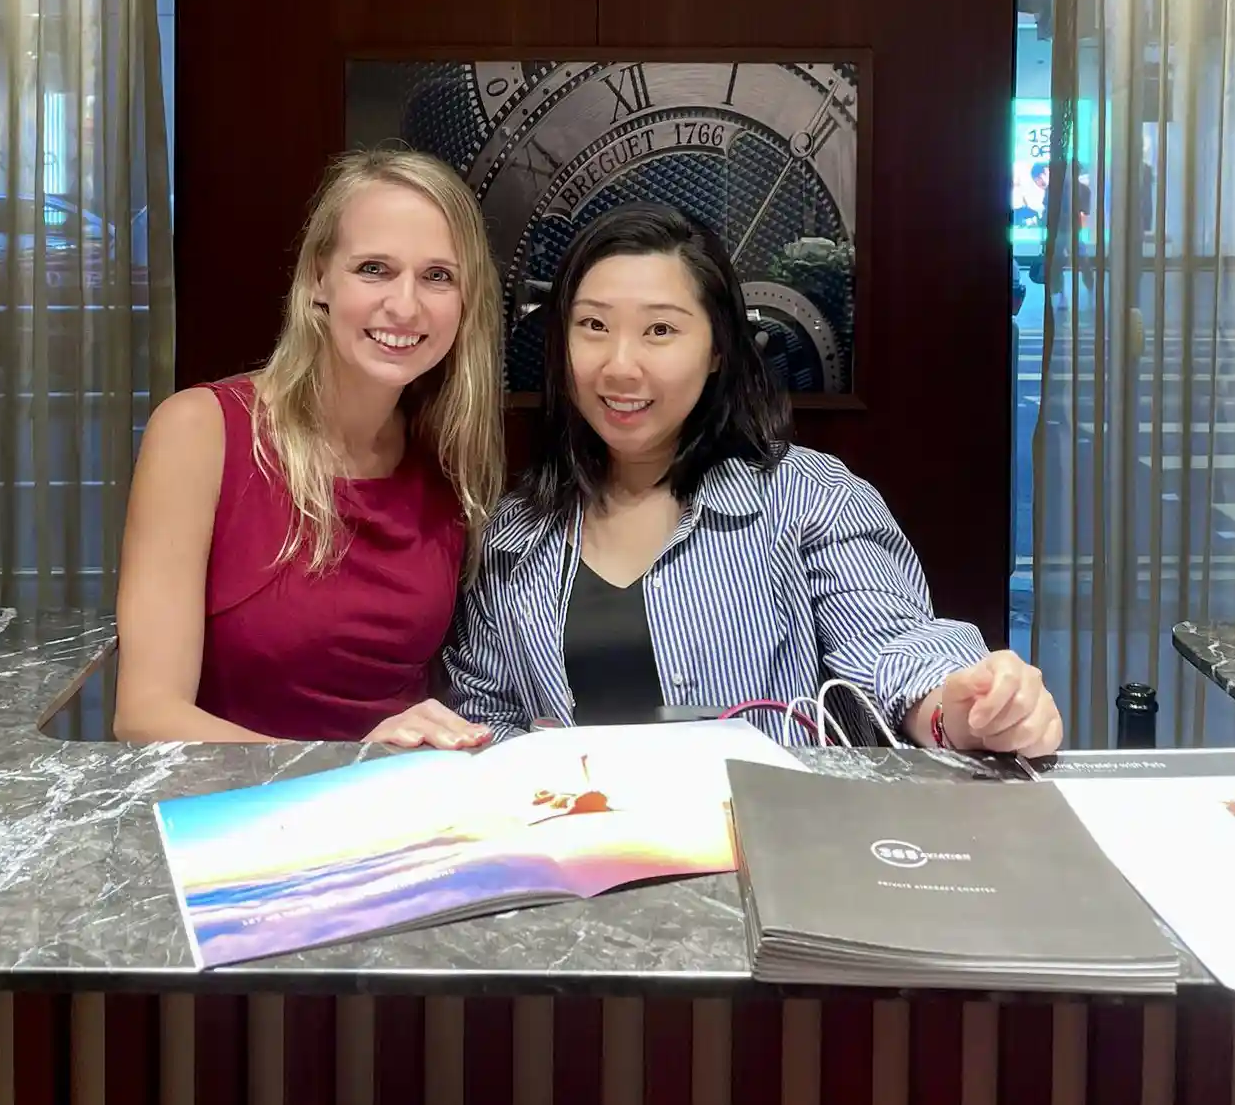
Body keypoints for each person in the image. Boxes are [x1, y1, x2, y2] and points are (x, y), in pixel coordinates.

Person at [444, 203, 1063, 756]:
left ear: (717, 351)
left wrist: (969, 710)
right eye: (594, 326)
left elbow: (896, 647)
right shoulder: (514, 532)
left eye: (660, 330)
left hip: (772, 862)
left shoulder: (805, 498)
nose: (619, 365)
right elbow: (489, 715)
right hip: (587, 862)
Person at [113, 148, 503, 748]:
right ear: (320, 277)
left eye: (437, 276)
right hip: (237, 818)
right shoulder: (201, 432)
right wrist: (347, 767)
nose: (404, 305)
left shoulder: (446, 455)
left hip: (405, 815)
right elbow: (146, 716)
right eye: (374, 268)